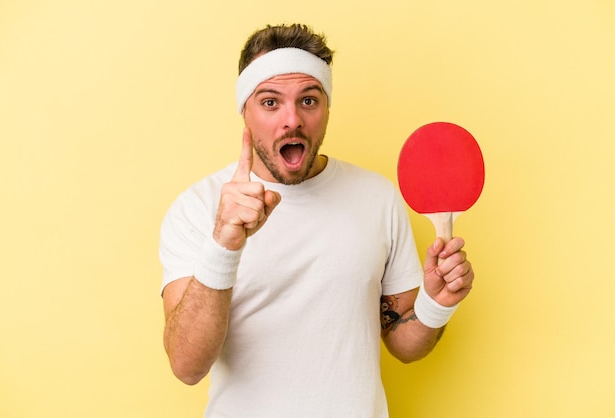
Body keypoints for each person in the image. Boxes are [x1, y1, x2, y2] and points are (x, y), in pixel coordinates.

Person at [159, 23, 474, 418]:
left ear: (326, 108)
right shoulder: (197, 207)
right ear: (245, 111)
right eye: (270, 103)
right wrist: (224, 244)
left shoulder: (377, 198)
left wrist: (437, 303)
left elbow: (405, 345)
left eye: (308, 101)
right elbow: (187, 366)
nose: (292, 120)